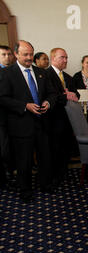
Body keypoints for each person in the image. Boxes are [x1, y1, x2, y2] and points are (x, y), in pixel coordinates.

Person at [0, 40, 57, 202]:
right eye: (25, 54)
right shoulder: (7, 73)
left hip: (43, 123)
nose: (29, 57)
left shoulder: (42, 72)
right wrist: (24, 106)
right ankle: (25, 191)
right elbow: (2, 98)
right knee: (23, 161)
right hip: (21, 126)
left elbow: (52, 94)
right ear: (16, 54)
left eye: (31, 54)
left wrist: (48, 102)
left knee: (45, 157)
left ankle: (45, 185)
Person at [45, 48, 79, 185]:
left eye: (66, 58)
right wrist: (65, 96)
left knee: (65, 149)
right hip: (53, 120)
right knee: (54, 149)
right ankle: (54, 177)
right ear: (53, 58)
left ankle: (63, 175)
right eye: (62, 57)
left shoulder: (69, 77)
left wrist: (72, 95)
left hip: (67, 120)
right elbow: (49, 96)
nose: (65, 60)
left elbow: (77, 94)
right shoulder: (45, 75)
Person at [0, 45, 13, 188]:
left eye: (9, 54)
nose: (7, 57)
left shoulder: (14, 71)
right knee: (4, 150)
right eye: (3, 54)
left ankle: (11, 172)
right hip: (1, 118)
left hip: (14, 116)